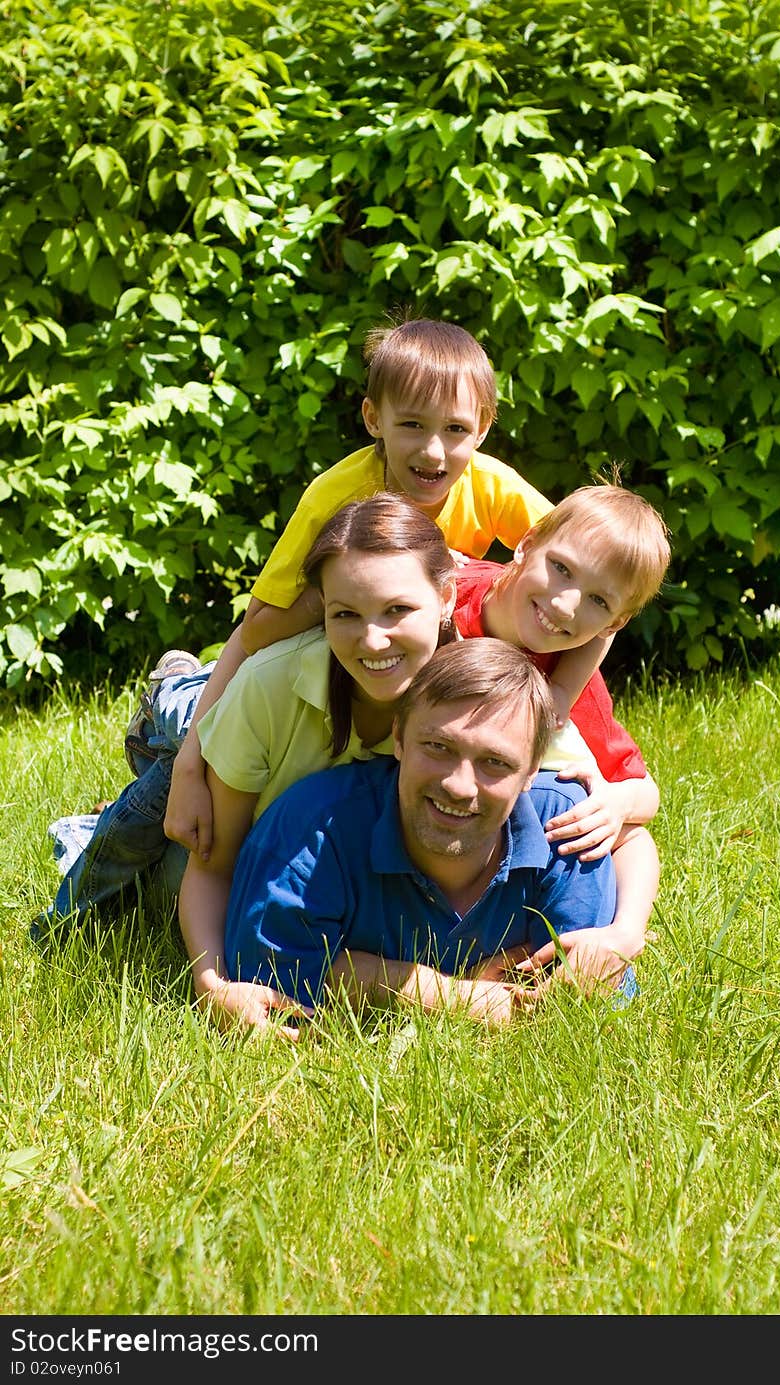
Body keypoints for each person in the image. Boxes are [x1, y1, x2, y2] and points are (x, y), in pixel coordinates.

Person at [36, 497, 600, 1036]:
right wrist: (212, 983)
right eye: (345, 614)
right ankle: (171, 697)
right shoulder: (272, 684)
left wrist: (622, 935)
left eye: (399, 610)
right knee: (166, 871)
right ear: (322, 610)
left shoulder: (477, 696)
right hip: (242, 781)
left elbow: (607, 815)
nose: (373, 638)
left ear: (448, 596)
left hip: (320, 851)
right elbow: (213, 868)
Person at [163, 317, 611, 861]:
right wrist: (352, 589)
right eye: (412, 425)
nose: (433, 452)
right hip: (283, 673)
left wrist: (560, 698)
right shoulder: (338, 495)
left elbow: (598, 590)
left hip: (389, 662)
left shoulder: (492, 484)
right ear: (374, 419)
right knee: (178, 768)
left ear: (484, 427)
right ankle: (175, 697)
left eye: (455, 430)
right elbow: (256, 630)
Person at [224, 638, 629, 1033]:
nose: (459, 785)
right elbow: (272, 986)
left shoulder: (571, 826)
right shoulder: (309, 828)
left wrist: (352, 971)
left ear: (530, 771)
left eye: (495, 762)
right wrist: (453, 994)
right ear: (398, 736)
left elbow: (576, 1004)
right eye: (438, 746)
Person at [451, 481, 672, 985]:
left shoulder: (566, 685)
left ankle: (607, 954)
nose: (566, 604)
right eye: (562, 568)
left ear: (616, 622)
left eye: (597, 600)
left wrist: (615, 805)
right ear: (526, 543)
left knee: (592, 813)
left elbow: (642, 798)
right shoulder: (443, 600)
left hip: (493, 865)